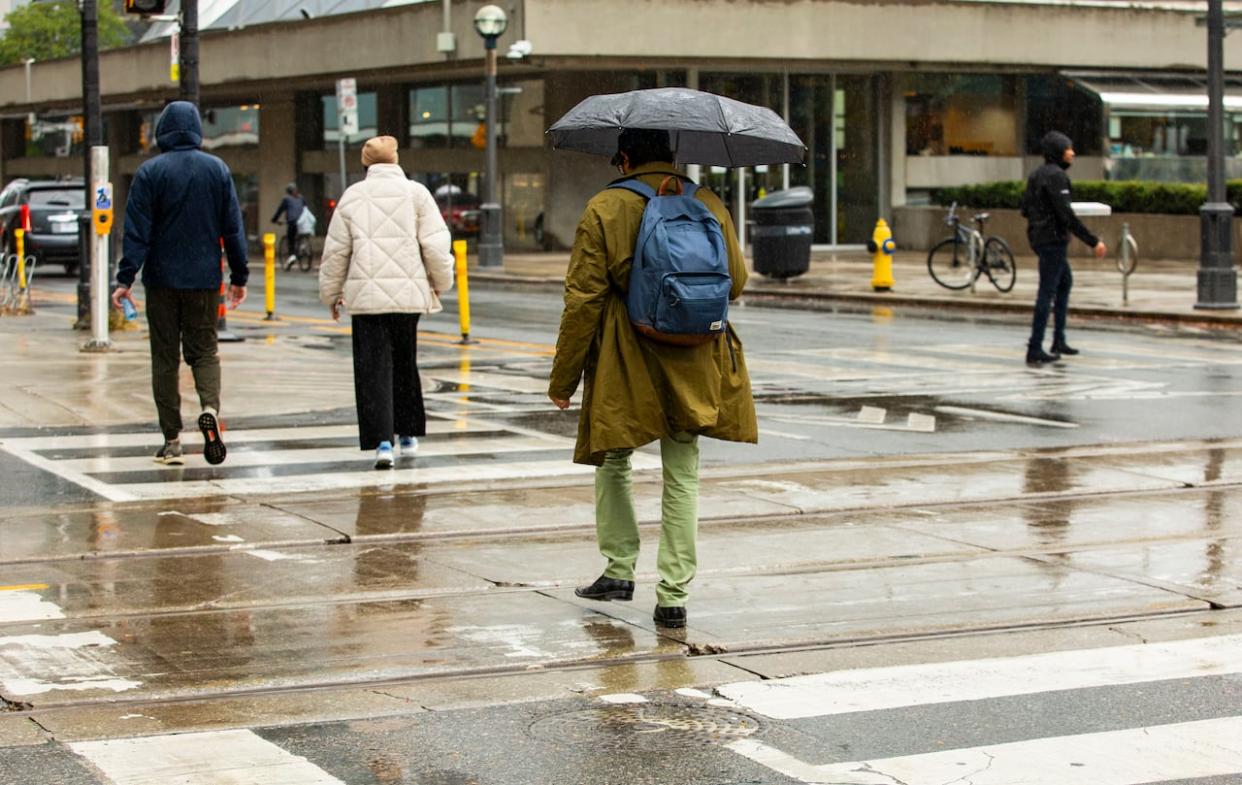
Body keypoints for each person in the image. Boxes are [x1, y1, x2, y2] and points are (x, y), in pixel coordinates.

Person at [548, 129, 757, 629]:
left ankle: (619, 569)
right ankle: (673, 595)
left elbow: (583, 300)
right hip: (694, 350)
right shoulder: (706, 200)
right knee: (682, 473)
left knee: (614, 456)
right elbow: (739, 280)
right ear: (672, 156)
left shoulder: (605, 207)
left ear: (623, 158)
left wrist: (564, 378)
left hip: (627, 351)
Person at [112, 101, 248, 467]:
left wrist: (125, 278)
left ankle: (172, 440)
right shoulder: (216, 169)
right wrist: (239, 276)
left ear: (162, 131)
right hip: (204, 280)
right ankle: (209, 408)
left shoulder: (149, 173)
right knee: (204, 351)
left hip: (161, 281)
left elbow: (136, 233)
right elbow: (233, 228)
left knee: (165, 358)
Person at [318, 136, 453, 469]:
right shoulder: (417, 193)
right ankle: (408, 433)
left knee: (373, 368)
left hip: (366, 300)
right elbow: (435, 245)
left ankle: (382, 442)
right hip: (408, 297)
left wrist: (331, 295)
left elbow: (336, 253)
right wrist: (441, 283)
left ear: (366, 164)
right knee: (405, 361)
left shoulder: (353, 196)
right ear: (396, 160)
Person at [1021, 130, 1107, 366]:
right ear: (1058, 152)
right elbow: (1066, 215)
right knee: (1046, 292)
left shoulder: (1037, 175)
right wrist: (1093, 241)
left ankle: (1058, 339)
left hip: (1040, 238)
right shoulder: (1056, 177)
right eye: (1068, 148)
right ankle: (1035, 347)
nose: (1072, 152)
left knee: (1063, 282)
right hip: (1053, 240)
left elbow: (1025, 208)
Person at [271, 183, 306, 262]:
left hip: (292, 221)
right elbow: (305, 208)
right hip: (303, 221)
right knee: (301, 234)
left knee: (291, 238)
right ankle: (302, 245)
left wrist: (274, 220)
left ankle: (292, 255)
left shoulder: (286, 199)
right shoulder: (301, 198)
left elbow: (279, 211)